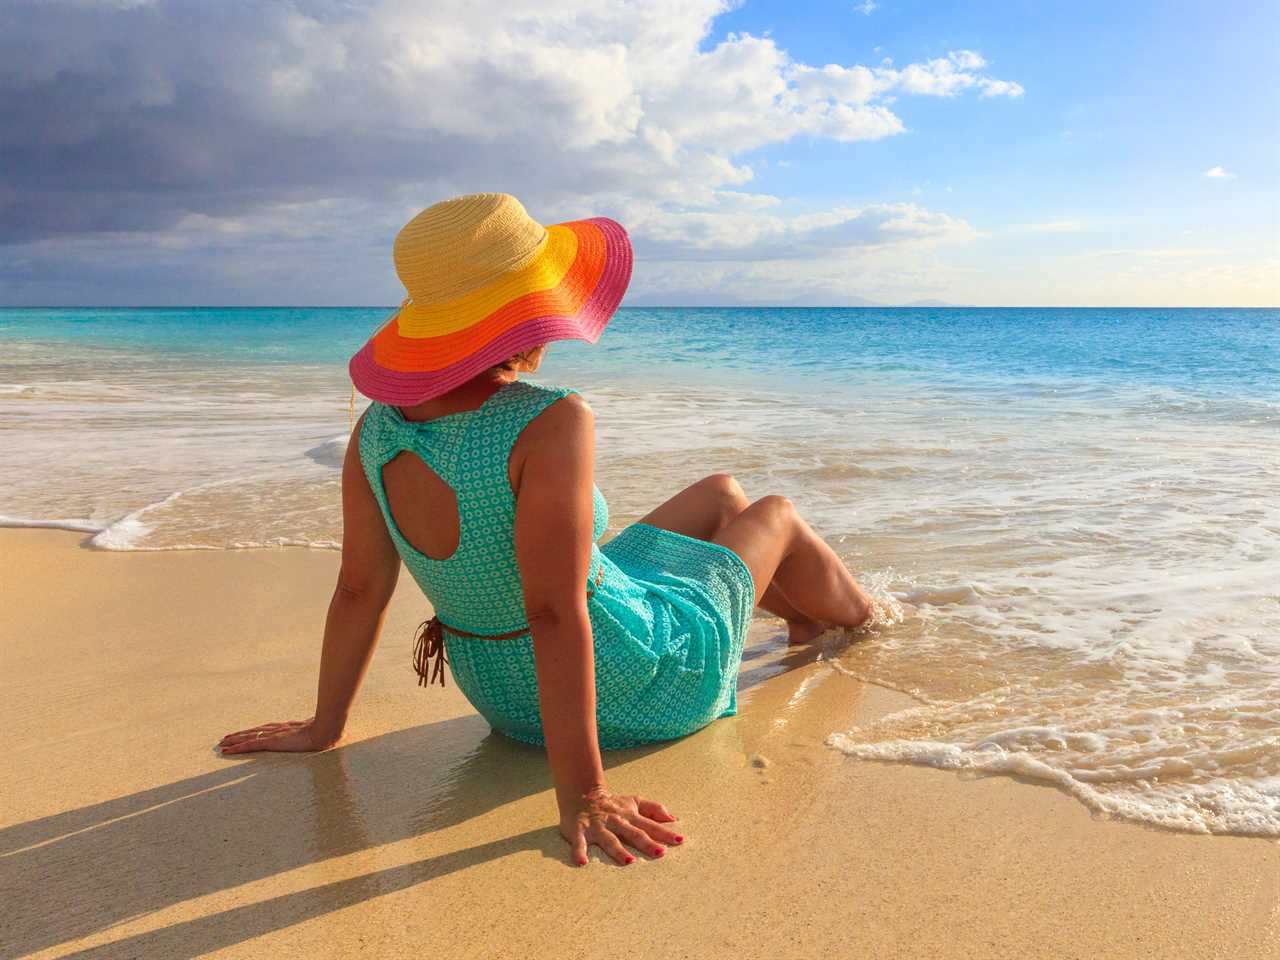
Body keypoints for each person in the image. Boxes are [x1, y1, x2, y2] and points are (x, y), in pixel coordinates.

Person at [219, 193, 873, 866]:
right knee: (777, 513)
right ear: (527, 309)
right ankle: (870, 620)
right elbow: (555, 611)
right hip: (641, 685)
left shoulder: (376, 430)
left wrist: (325, 727)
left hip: (504, 701)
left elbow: (358, 589)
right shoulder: (549, 420)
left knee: (720, 495)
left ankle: (803, 627)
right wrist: (585, 794)